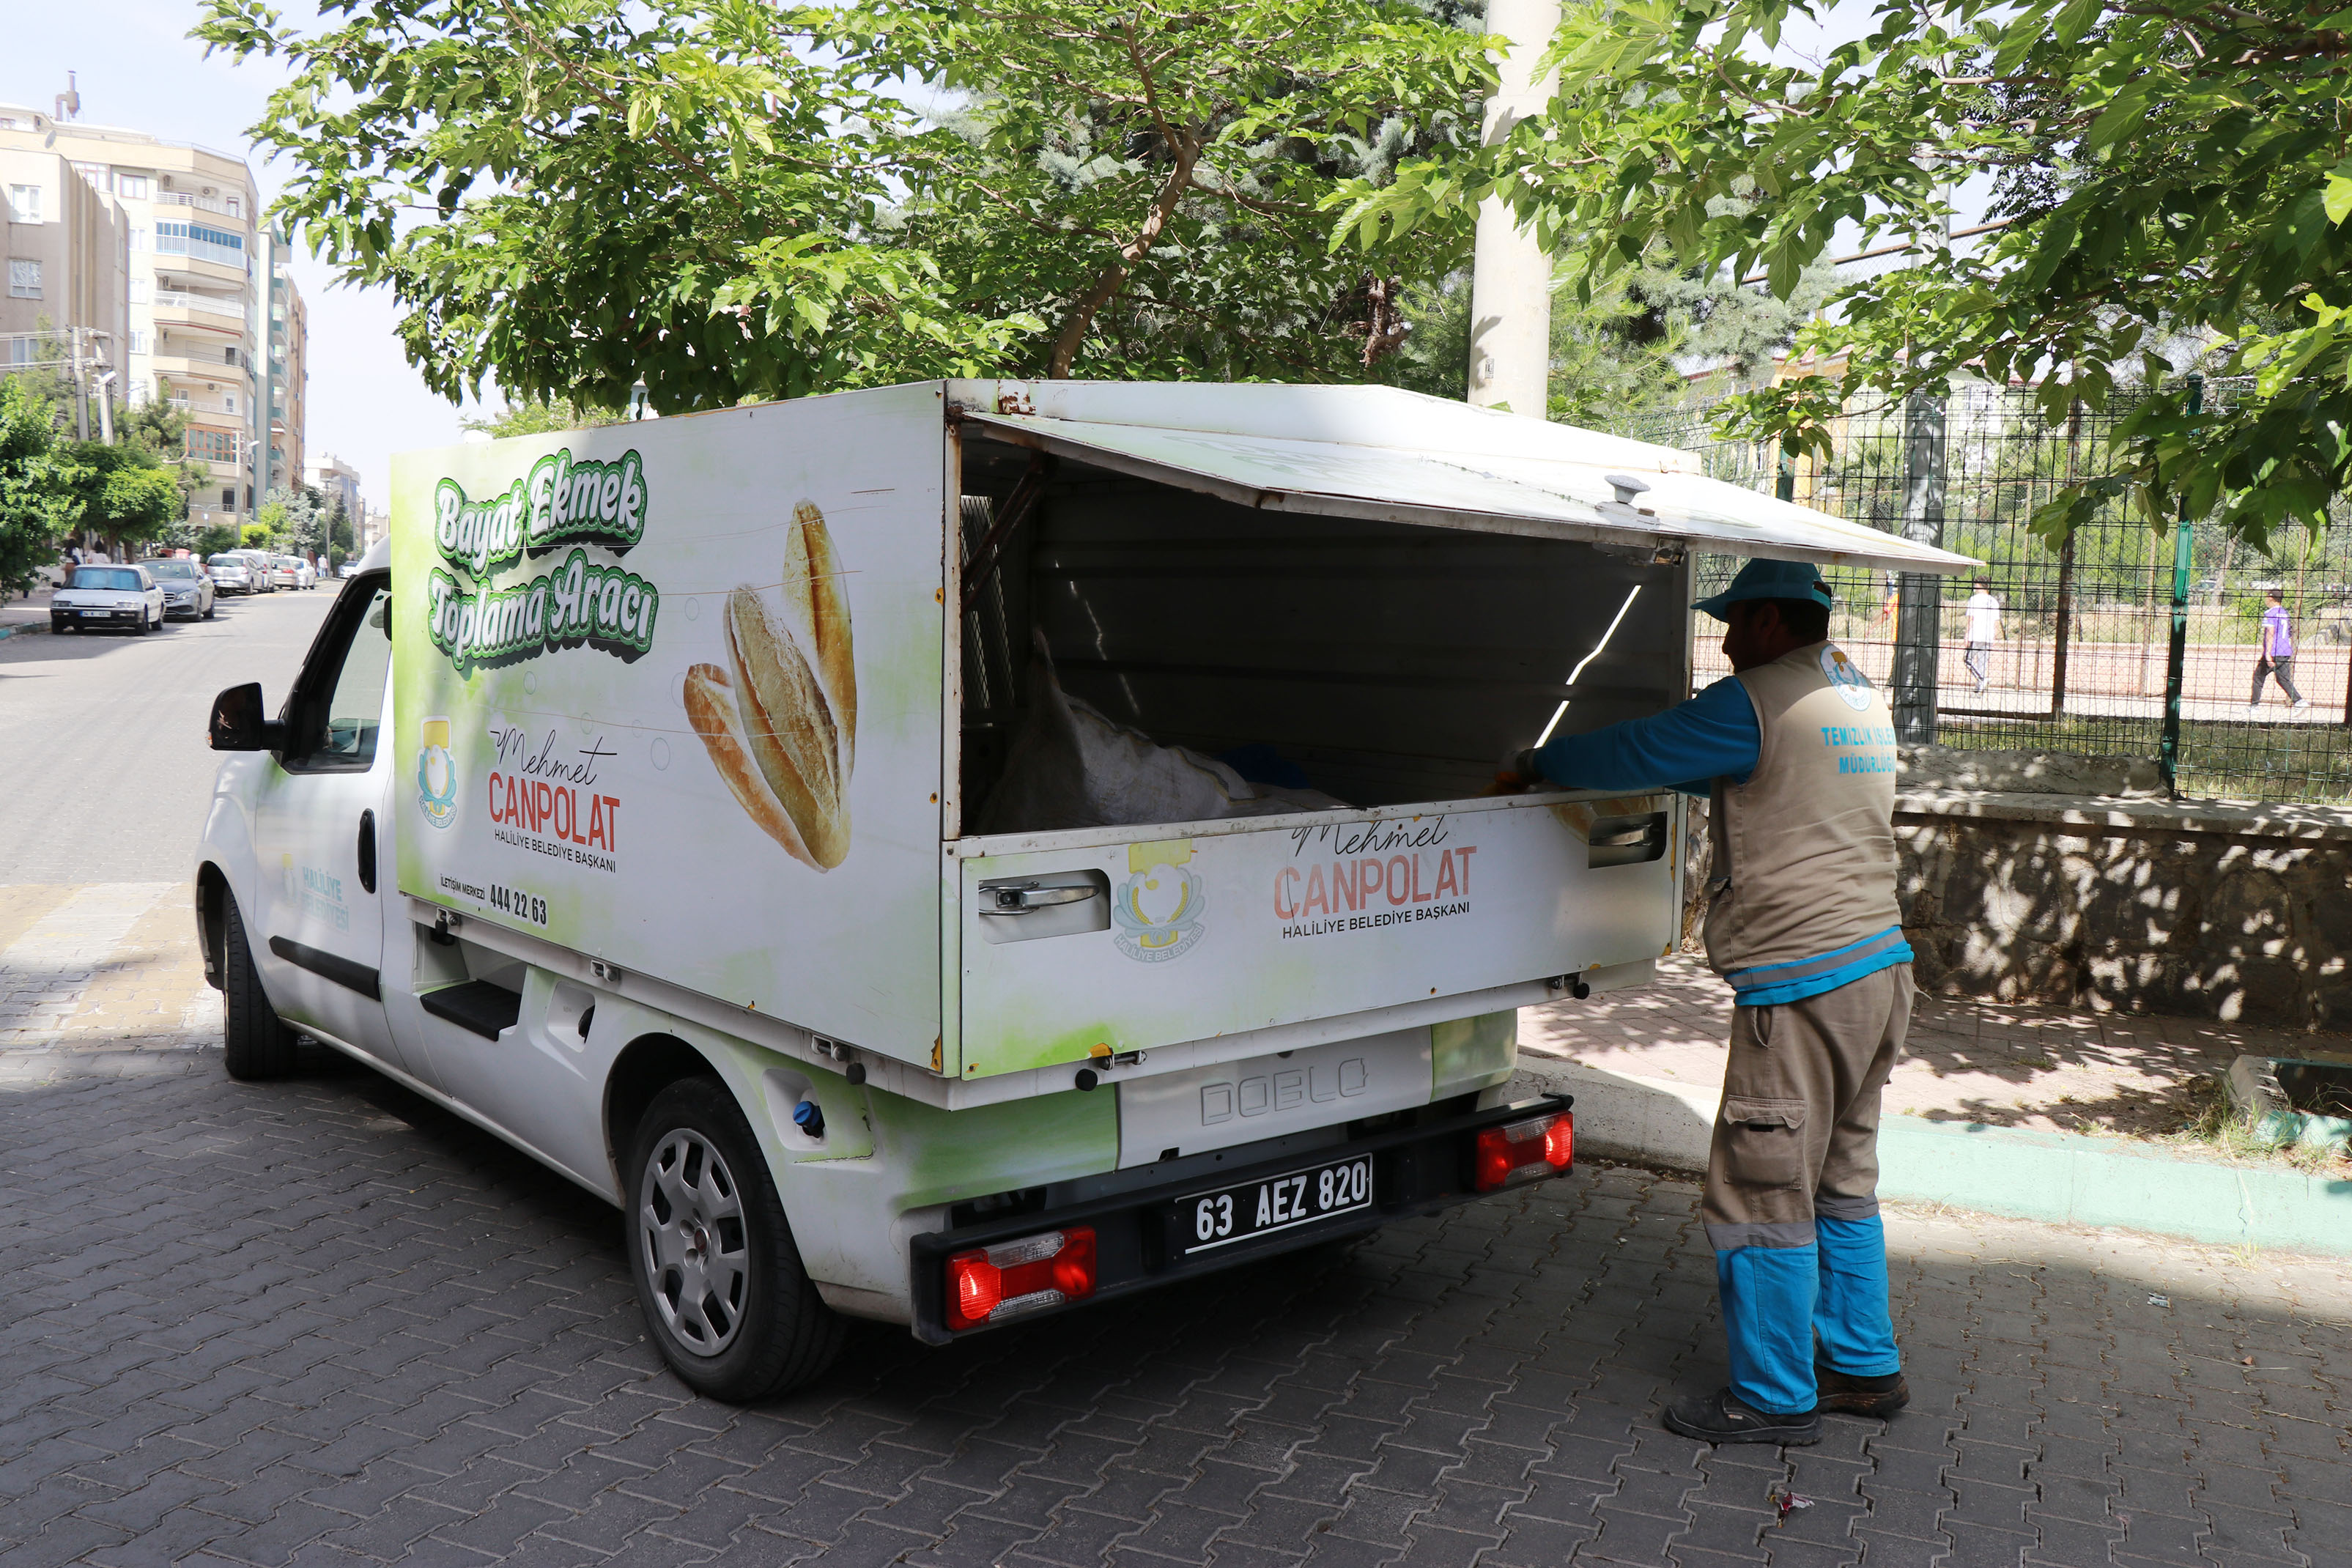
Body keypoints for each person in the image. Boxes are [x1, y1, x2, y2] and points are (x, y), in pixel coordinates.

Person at [1502, 558, 1913, 1446]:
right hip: (1880, 969)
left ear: (1769, 622)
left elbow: (1641, 750)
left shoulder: (1757, 697)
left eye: (1732, 622)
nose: (1723, 641)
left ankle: (1772, 1396)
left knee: (1765, 1188)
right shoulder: (1853, 692)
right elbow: (1755, 782)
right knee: (1842, 1177)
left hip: (1805, 980)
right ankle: (1862, 1366)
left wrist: (1538, 764)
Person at [2251, 589, 2310, 715]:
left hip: (2274, 651)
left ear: (2271, 598)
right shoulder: (2284, 613)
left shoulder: (2270, 613)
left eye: (2267, 596)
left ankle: (2254, 706)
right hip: (2285, 650)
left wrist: (2268, 653)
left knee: (2258, 677)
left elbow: (2270, 633)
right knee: (2283, 679)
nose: (2266, 599)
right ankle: (2299, 701)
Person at [1963, 578, 2000, 696]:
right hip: (1988, 635)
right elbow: (1996, 620)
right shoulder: (1993, 601)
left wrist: (1967, 634)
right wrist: (1994, 635)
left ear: (1979, 585)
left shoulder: (1974, 599)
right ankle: (1979, 690)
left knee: (1967, 659)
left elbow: (1971, 618)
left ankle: (1982, 679)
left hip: (1976, 634)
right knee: (1982, 663)